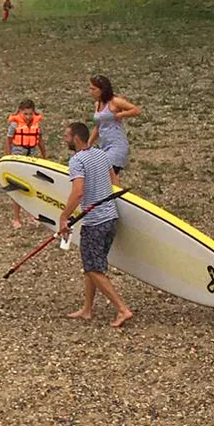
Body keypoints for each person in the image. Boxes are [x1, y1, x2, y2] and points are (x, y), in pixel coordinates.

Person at [59, 122, 134, 329]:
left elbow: (78, 192)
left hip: (95, 221)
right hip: (110, 218)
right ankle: (87, 309)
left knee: (92, 267)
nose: (64, 140)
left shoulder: (77, 161)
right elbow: (114, 181)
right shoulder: (101, 154)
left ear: (76, 139)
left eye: (66, 136)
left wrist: (64, 216)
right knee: (92, 264)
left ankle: (122, 309)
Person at [89, 75, 141, 183]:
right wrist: (89, 143)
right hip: (105, 146)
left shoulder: (114, 102)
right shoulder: (97, 104)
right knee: (110, 178)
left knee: (106, 174)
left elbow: (136, 110)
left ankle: (115, 196)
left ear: (102, 90)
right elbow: (98, 126)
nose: (91, 92)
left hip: (117, 145)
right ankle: (115, 196)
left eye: (93, 89)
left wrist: (120, 114)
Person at [6, 98, 48, 228]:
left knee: (31, 186)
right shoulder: (14, 125)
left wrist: (44, 156)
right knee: (17, 186)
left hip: (31, 155)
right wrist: (8, 157)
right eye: (26, 114)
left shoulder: (36, 125)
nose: (28, 117)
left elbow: (40, 141)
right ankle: (17, 218)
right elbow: (8, 141)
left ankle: (31, 215)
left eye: (30, 114)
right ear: (20, 112)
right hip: (18, 155)